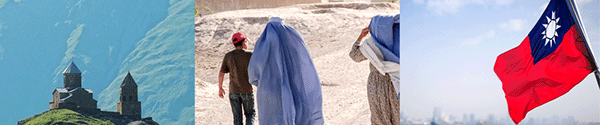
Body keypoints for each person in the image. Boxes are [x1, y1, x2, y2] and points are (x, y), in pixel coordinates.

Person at [247, 17, 324, 125]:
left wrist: (262, 82)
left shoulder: (263, 42)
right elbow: (304, 62)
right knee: (296, 115)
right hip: (293, 87)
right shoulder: (294, 38)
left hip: (269, 91)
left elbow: (253, 73)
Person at [349, 14, 400, 125]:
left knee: (379, 117)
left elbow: (354, 56)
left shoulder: (371, 45)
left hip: (376, 86)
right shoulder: (398, 45)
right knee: (398, 117)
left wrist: (360, 38)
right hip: (396, 84)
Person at [218, 32, 255, 125]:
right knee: (250, 115)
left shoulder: (228, 56)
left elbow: (221, 73)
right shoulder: (250, 55)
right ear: (243, 42)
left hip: (233, 91)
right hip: (247, 90)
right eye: (246, 41)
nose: (247, 43)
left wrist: (220, 88)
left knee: (237, 118)